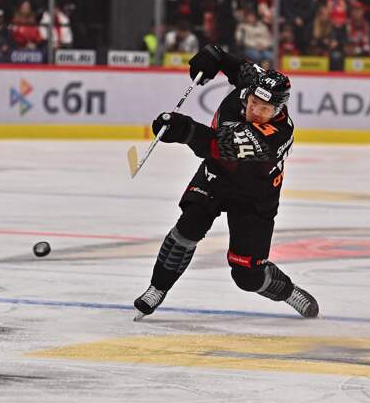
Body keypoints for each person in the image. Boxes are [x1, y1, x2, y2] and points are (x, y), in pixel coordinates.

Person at [133, 44, 319, 321]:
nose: (255, 110)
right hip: (216, 176)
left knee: (247, 275)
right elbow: (232, 63)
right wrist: (212, 57)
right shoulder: (253, 84)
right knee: (189, 226)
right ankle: (157, 288)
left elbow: (219, 146)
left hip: (255, 196)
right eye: (253, 102)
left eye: (264, 108)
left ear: (278, 109)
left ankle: (288, 291)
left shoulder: (277, 134)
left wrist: (184, 130)